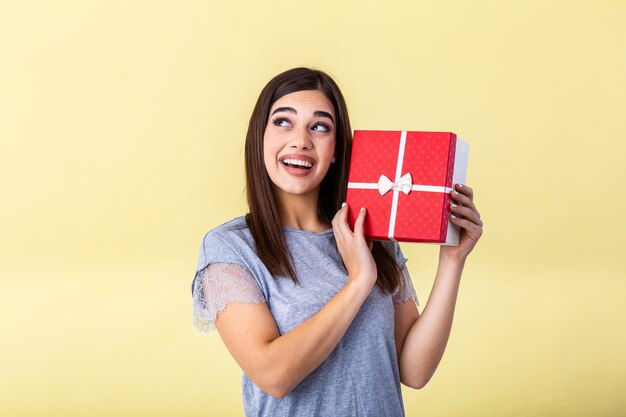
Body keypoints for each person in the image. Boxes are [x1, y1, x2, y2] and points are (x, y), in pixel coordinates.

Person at [191, 67, 483, 417]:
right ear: (260, 139)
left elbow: (415, 371)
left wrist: (452, 260)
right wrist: (359, 281)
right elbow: (273, 375)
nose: (301, 140)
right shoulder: (231, 248)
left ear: (336, 150)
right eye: (284, 122)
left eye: (320, 126)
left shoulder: (371, 234)